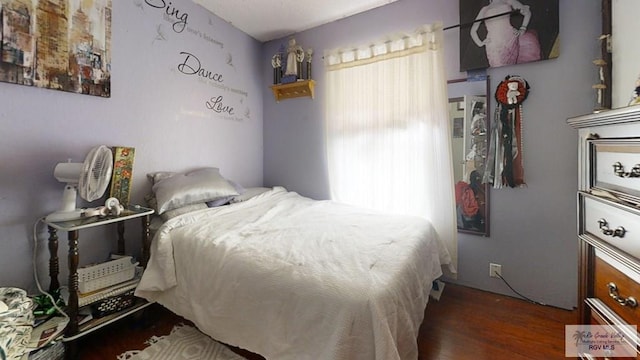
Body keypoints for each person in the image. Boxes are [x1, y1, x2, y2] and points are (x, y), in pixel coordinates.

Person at [470, 0, 541, 68]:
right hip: (494, 47)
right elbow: (473, 30)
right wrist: (480, 43)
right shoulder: (484, 9)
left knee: (513, 70)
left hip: (510, 41)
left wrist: (523, 28)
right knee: (500, 72)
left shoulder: (508, 1)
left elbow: (527, 12)